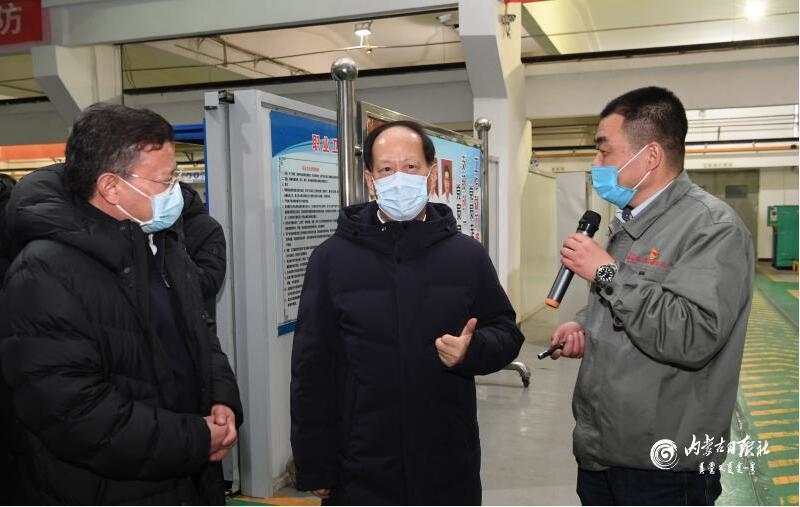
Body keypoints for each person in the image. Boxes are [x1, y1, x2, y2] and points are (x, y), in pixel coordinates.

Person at [0, 103, 243, 505]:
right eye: (165, 180)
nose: (176, 192)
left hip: (185, 476)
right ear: (111, 187)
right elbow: (75, 413)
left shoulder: (160, 243)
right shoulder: (44, 272)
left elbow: (200, 334)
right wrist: (195, 437)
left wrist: (221, 398)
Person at [290, 120, 524, 505]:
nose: (399, 177)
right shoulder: (331, 259)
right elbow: (311, 369)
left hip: (446, 461)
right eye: (386, 168)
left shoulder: (466, 256)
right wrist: (316, 462)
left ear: (431, 173)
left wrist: (473, 350)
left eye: (411, 166)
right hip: (360, 464)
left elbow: (506, 331)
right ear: (370, 180)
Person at [549, 87, 754, 505]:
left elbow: (693, 335)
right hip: (603, 449)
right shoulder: (628, 224)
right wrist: (586, 326)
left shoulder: (712, 227)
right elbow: (628, 302)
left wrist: (606, 271)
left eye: (605, 151)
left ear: (651, 156)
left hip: (664, 468)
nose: (596, 164)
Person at [180, 181, 226, 320]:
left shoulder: (208, 228)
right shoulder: (141, 223)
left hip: (193, 323)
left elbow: (209, 282)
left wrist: (173, 248)